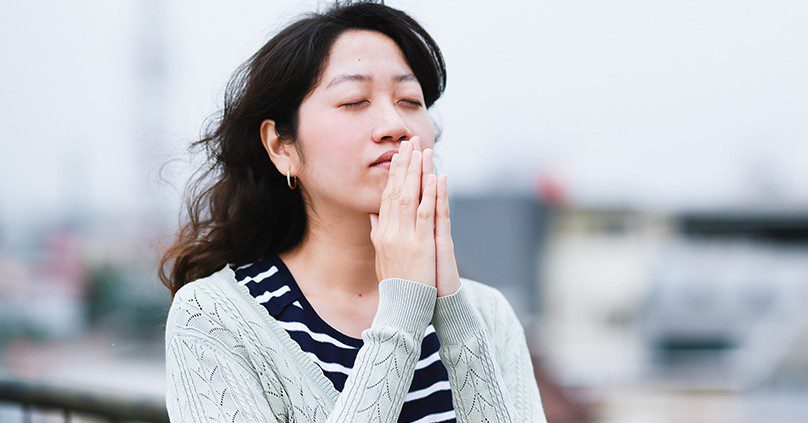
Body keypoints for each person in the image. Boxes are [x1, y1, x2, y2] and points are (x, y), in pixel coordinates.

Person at [158, 1, 546, 421]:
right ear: (280, 146)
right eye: (354, 101)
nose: (394, 124)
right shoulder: (214, 318)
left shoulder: (485, 314)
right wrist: (400, 314)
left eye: (410, 101)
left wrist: (452, 314)